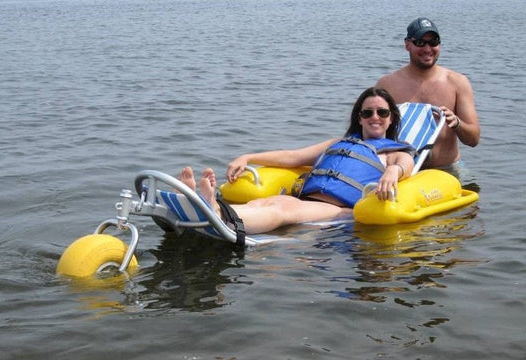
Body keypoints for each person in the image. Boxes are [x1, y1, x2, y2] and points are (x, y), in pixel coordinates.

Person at [179, 87, 416, 235]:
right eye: (368, 113)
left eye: (382, 113)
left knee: (282, 210)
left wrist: (392, 172)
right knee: (263, 204)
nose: (375, 117)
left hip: (339, 211)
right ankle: (211, 207)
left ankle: (220, 217)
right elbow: (292, 156)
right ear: (360, 118)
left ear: (391, 118)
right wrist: (248, 157)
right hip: (306, 199)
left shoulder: (394, 152)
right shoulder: (339, 142)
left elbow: (406, 164)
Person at [375, 17, 480, 174]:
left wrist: (456, 122)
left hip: (447, 170)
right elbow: (370, 133)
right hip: (402, 172)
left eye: (433, 42)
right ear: (407, 44)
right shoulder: (386, 85)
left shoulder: (458, 82)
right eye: (420, 42)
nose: (427, 48)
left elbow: (473, 139)